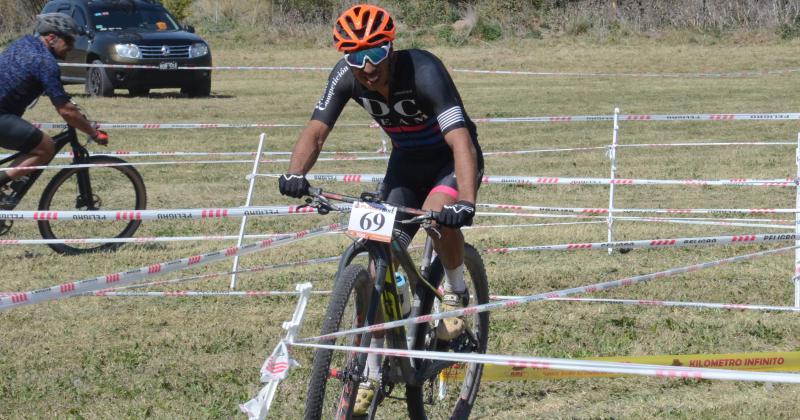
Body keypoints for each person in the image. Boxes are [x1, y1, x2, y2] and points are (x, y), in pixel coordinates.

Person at [278, 4, 483, 414]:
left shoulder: (425, 70)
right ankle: (370, 371)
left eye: (376, 53)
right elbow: (316, 131)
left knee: (438, 219)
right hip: (405, 166)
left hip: (447, 161)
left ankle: (457, 295)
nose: (367, 66)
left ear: (392, 48)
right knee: (376, 263)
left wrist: (465, 201)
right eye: (356, 57)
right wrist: (294, 174)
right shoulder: (344, 78)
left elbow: (460, 140)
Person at [0, 13, 108, 208]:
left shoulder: (23, 43)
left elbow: (60, 97)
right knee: (45, 147)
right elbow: (66, 111)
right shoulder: (45, 62)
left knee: (31, 145)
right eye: (69, 40)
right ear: (51, 38)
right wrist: (93, 132)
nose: (72, 46)